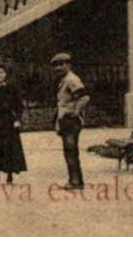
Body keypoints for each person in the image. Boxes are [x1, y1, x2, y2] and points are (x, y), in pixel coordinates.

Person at [52, 52, 89, 190]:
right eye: (56, 65)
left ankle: (76, 182)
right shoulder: (64, 79)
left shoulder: (71, 79)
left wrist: (75, 112)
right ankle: (74, 180)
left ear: (68, 65)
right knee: (69, 151)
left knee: (71, 151)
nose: (58, 68)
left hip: (71, 120)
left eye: (61, 65)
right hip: (65, 119)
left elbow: (84, 97)